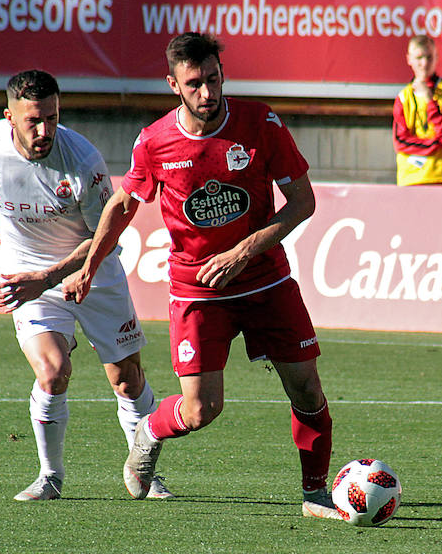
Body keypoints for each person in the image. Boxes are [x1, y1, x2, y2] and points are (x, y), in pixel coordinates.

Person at [63, 33, 340, 520]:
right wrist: (88, 267)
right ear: (174, 84)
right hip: (197, 290)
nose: (207, 93)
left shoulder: (261, 123)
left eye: (213, 79)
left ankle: (315, 495)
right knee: (200, 411)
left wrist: (245, 249)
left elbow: (303, 202)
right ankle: (148, 432)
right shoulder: (154, 141)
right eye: (195, 84)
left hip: (266, 279)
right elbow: (124, 204)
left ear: (222, 73)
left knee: (307, 387)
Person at [0, 69, 171, 500]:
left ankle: (144, 472)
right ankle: (49, 477)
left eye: (51, 117)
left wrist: (52, 277)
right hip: (27, 274)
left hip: (94, 272)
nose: (45, 129)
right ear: (8, 118)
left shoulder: (83, 161)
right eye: (33, 120)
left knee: (127, 381)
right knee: (52, 373)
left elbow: (103, 235)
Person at [392, 35, 442, 186]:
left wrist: (429, 99)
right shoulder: (403, 97)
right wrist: (439, 143)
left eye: (429, 57)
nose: (424, 64)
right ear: (409, 59)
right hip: (413, 178)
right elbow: (400, 142)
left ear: (437, 57)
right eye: (419, 58)